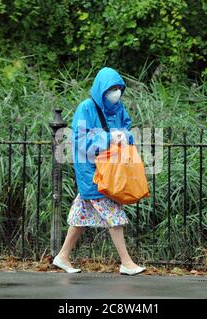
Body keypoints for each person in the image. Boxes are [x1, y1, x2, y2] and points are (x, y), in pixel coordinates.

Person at [52, 67, 146, 276]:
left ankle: (62, 256)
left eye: (118, 88)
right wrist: (109, 138)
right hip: (93, 172)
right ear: (101, 89)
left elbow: (127, 129)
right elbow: (78, 140)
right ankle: (126, 262)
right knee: (115, 215)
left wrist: (124, 136)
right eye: (111, 89)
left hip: (112, 169)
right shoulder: (86, 108)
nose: (116, 93)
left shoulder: (119, 108)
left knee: (80, 216)